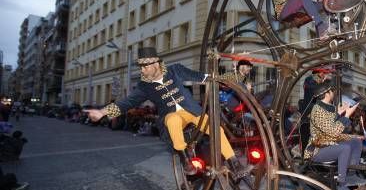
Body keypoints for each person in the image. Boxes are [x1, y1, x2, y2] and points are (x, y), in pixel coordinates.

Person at [84, 47, 251, 178]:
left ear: (156, 63)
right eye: (141, 67)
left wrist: (235, 70)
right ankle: (186, 160)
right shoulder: (144, 86)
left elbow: (204, 77)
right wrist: (102, 112)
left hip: (192, 111)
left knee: (216, 128)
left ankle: (234, 163)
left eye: (145, 67)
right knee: (172, 120)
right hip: (172, 117)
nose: (142, 71)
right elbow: (126, 103)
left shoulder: (175, 70)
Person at [303, 81, 366, 190]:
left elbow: (333, 132)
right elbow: (333, 131)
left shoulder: (328, 108)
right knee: (345, 148)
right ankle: (341, 185)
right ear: (327, 93)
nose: (334, 93)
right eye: (332, 91)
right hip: (317, 149)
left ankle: (351, 175)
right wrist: (346, 116)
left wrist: (355, 136)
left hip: (329, 142)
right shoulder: (317, 110)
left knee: (356, 142)